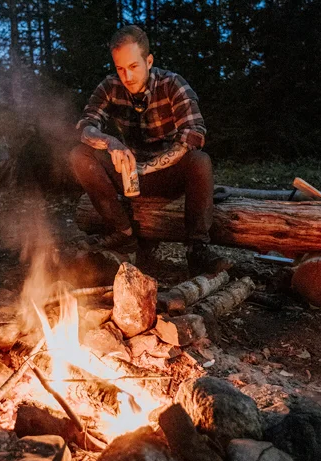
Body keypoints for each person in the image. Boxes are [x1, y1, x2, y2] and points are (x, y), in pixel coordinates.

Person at [70, 24, 227, 275]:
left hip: (167, 175)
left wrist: (144, 168)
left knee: (200, 160)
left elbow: (193, 135)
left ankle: (197, 248)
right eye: (120, 68)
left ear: (149, 60)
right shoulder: (110, 86)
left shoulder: (173, 85)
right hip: (127, 177)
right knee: (80, 155)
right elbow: (85, 126)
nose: (127, 76)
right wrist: (111, 143)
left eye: (133, 67)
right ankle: (123, 233)